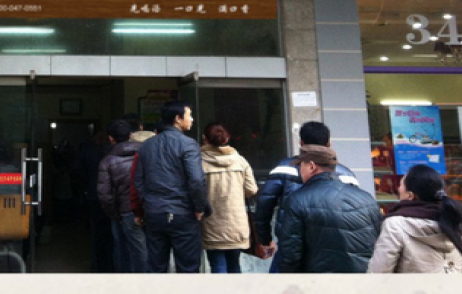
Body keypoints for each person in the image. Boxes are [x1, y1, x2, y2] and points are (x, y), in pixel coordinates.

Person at [255, 120, 359, 272]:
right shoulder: (346, 175)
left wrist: (265, 239)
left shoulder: (284, 168)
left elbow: (264, 205)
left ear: (301, 142)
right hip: (334, 247)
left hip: (289, 245)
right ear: (329, 144)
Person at [277, 144, 381, 273]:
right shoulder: (366, 199)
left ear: (311, 166)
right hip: (362, 280)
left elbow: (291, 254)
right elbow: (379, 244)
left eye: (300, 165)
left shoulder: (297, 200)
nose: (299, 171)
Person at [134, 101, 207, 273]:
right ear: (177, 118)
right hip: (182, 212)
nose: (192, 119)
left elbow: (138, 180)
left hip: (154, 213)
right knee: (187, 268)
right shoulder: (188, 144)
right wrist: (199, 207)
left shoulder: (147, 145)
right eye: (189, 115)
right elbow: (196, 180)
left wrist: (148, 203)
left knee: (156, 267)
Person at [368, 164, 462, 273]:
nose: (398, 188)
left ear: (410, 195)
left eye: (401, 185)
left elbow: (379, 272)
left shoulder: (395, 225)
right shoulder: (453, 220)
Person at [200, 123, 258, 273]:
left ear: (205, 139)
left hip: (211, 225)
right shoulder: (240, 161)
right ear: (227, 139)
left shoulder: (199, 162)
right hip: (236, 224)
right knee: (234, 265)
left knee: (217, 266)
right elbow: (252, 189)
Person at [97, 119, 147, 272]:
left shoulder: (107, 161)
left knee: (123, 251)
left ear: (110, 138)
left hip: (124, 212)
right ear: (131, 135)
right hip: (149, 209)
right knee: (147, 249)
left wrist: (115, 215)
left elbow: (105, 195)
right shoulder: (147, 154)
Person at [78, 122, 115, 272]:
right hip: (112, 197)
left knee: (97, 234)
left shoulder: (88, 149)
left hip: (94, 194)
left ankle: (97, 267)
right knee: (112, 234)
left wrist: (86, 188)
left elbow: (80, 171)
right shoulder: (114, 150)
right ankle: (111, 266)